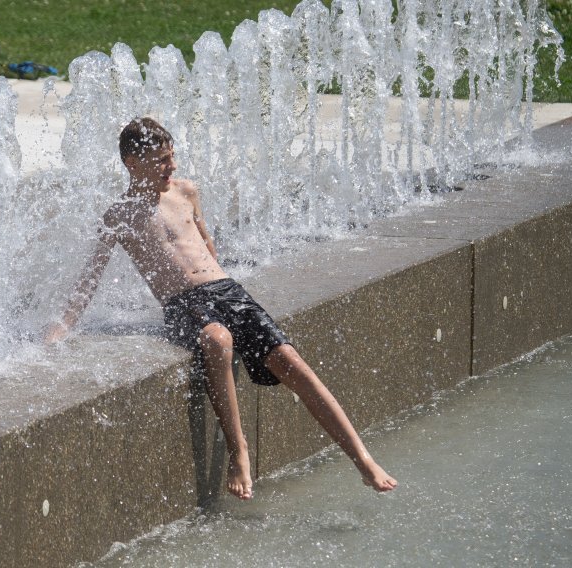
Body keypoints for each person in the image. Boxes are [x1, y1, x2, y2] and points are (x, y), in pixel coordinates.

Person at [45, 117, 397, 500]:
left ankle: (363, 460)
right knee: (217, 338)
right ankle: (239, 449)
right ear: (132, 162)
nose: (172, 166)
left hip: (228, 292)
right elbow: (89, 280)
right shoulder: (119, 216)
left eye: (173, 156)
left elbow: (207, 244)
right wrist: (60, 329)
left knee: (290, 361)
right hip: (183, 302)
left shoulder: (185, 193)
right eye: (162, 159)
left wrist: (222, 275)